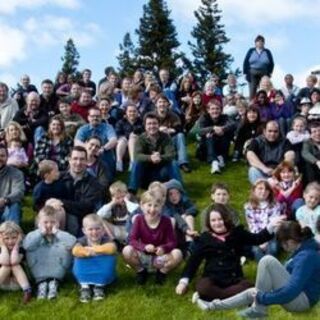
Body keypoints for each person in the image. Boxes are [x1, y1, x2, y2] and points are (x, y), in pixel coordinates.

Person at [194, 221, 320, 319]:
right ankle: (212, 307)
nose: (282, 247)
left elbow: (291, 291)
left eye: (282, 244)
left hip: (300, 301)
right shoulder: (300, 249)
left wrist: (263, 297)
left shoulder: (307, 256)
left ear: (291, 242)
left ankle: (258, 309)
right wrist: (261, 294)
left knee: (267, 261)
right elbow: (286, 274)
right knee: (253, 292)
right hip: (295, 295)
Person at [175, 204, 283, 300]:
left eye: (220, 219)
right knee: (203, 287)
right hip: (212, 278)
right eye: (213, 220)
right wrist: (183, 282)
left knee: (249, 287)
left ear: (226, 219)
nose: (217, 223)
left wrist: (271, 226)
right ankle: (231, 297)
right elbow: (193, 261)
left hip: (234, 278)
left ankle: (214, 297)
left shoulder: (237, 233)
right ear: (208, 222)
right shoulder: (205, 238)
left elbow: (257, 238)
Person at [122, 191, 183, 285]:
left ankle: (162, 272)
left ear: (161, 207)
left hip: (159, 258)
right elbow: (132, 240)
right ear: (142, 206)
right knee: (126, 250)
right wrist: (144, 247)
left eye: (156, 206)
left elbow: (172, 242)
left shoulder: (166, 221)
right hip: (142, 256)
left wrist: (163, 248)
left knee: (178, 253)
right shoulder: (139, 219)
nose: (152, 209)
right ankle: (141, 271)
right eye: (149, 205)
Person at [23, 205, 76, 300]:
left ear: (58, 223)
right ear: (39, 223)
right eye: (45, 222)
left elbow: (72, 242)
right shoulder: (33, 235)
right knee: (32, 247)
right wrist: (40, 233)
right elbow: (27, 245)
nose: (49, 225)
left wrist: (57, 233)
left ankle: (54, 283)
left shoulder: (62, 234)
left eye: (53, 222)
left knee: (63, 247)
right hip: (39, 269)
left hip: (58, 269)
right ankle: (41, 284)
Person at [128, 112, 182, 193]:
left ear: (159, 125)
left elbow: (171, 154)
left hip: (162, 173)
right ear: (145, 126)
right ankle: (132, 191)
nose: (152, 126)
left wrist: (160, 157)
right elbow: (137, 155)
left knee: (173, 162)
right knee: (137, 162)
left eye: (154, 123)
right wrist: (150, 158)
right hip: (145, 175)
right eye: (149, 124)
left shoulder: (166, 137)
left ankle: (179, 190)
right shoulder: (141, 138)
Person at [59, 146, 104, 235]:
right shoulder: (59, 177)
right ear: (69, 160)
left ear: (87, 161)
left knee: (72, 220)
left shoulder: (94, 183)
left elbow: (87, 206)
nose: (78, 163)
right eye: (75, 159)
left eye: (82, 159)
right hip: (58, 215)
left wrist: (62, 203)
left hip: (82, 221)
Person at [72, 214, 117, 303]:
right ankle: (85, 288)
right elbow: (75, 250)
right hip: (85, 269)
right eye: (90, 229)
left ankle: (99, 286)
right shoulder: (82, 240)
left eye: (97, 229)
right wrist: (86, 252)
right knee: (78, 258)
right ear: (84, 231)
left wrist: (94, 249)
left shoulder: (106, 240)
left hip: (102, 269)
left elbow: (112, 248)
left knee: (109, 257)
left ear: (103, 230)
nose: (94, 232)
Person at [244, 179, 284, 261]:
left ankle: (269, 264)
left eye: (266, 189)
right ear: (254, 190)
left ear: (269, 192)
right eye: (260, 188)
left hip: (271, 235)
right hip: (256, 235)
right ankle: (264, 266)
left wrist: (266, 240)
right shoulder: (249, 207)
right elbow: (252, 225)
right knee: (256, 250)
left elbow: (275, 225)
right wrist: (260, 241)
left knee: (273, 248)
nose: (263, 191)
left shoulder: (275, 205)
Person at [75, 107, 117, 182]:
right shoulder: (83, 129)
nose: (95, 118)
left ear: (101, 117)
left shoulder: (107, 127)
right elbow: (77, 142)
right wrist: (90, 149)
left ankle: (107, 182)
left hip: (103, 154)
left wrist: (103, 149)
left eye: (98, 116)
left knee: (106, 156)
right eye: (92, 116)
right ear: (88, 117)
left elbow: (113, 140)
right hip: (87, 155)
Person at [155, 94, 191, 173]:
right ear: (156, 104)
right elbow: (146, 129)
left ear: (168, 104)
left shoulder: (173, 115)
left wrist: (171, 130)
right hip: (156, 142)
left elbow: (179, 128)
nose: (162, 104)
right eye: (160, 102)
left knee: (180, 135)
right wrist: (158, 129)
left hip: (170, 140)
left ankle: (183, 162)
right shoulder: (151, 115)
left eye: (164, 102)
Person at [198, 99, 236, 174]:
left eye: (217, 109)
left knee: (225, 133)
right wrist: (213, 128)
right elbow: (199, 131)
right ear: (208, 110)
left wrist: (222, 129)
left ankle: (221, 158)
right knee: (209, 136)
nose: (215, 111)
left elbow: (233, 124)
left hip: (221, 144)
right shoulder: (204, 117)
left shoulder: (225, 117)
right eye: (212, 109)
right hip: (206, 147)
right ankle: (214, 162)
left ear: (221, 110)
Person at [0, 221, 32, 304]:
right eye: (6, 238)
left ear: (19, 237)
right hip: (3, 283)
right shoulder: (1, 249)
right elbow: (5, 261)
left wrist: (17, 245)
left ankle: (27, 291)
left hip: (17, 283)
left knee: (15, 265)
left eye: (14, 237)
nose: (10, 241)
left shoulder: (21, 249)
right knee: (6, 266)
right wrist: (3, 247)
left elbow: (14, 261)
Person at [164, 179, 198, 244]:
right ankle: (170, 243)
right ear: (167, 196)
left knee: (189, 217)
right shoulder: (167, 206)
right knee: (172, 220)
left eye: (177, 193)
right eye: (170, 194)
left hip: (183, 230)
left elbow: (194, 208)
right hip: (174, 230)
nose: (174, 196)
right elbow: (176, 216)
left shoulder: (184, 200)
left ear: (181, 193)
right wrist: (186, 230)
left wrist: (186, 214)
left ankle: (190, 241)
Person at [243, 35, 274, 99]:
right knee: (253, 88)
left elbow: (271, 63)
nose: (260, 43)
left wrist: (269, 73)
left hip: (264, 72)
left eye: (262, 41)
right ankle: (252, 104)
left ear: (264, 43)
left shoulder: (267, 51)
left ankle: (265, 102)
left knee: (264, 88)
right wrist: (245, 73)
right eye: (258, 41)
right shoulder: (251, 50)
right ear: (255, 43)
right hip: (252, 72)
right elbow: (246, 62)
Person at [0, 145, 25, 224]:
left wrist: (4, 200)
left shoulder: (16, 173)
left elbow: (19, 191)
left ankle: (11, 233)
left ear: (7, 157)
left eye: (2, 156)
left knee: (15, 204)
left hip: (7, 209)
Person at [115, 103, 144, 172]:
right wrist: (126, 137)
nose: (132, 113)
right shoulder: (121, 122)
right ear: (126, 113)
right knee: (122, 139)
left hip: (137, 145)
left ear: (137, 112)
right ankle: (119, 162)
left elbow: (144, 134)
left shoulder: (142, 122)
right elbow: (117, 134)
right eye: (130, 111)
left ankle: (132, 163)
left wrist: (134, 136)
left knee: (133, 139)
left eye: (134, 111)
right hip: (123, 145)